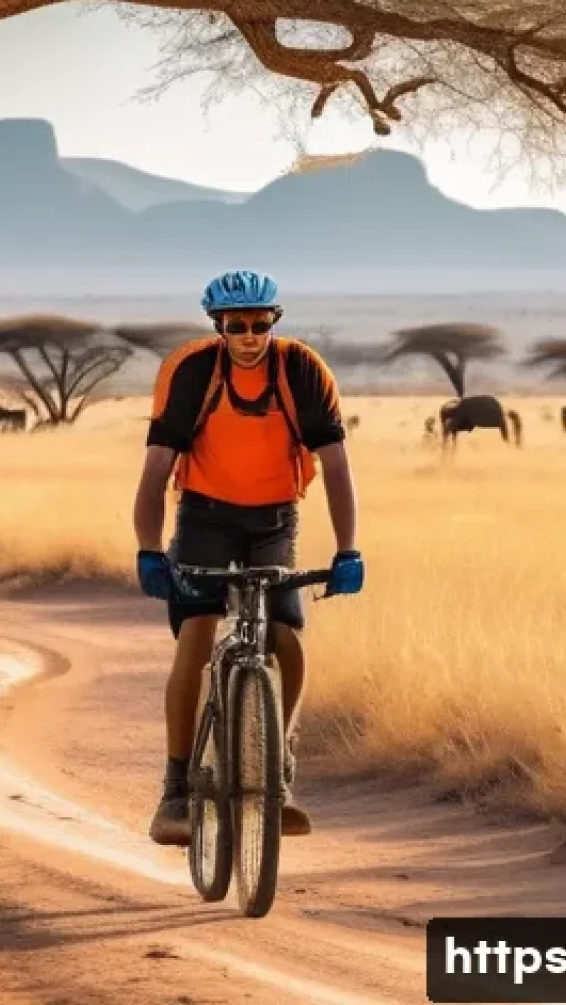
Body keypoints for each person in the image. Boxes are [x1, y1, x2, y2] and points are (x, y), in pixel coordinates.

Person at [132, 269, 364, 847]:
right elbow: (157, 470)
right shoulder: (191, 372)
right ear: (220, 327)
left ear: (274, 322)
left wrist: (347, 549)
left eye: (262, 323)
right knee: (195, 636)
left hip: (275, 517)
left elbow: (335, 465)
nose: (251, 335)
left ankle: (278, 765)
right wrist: (149, 551)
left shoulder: (302, 370)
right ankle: (176, 789)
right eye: (239, 326)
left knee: (286, 634)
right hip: (205, 516)